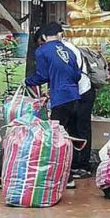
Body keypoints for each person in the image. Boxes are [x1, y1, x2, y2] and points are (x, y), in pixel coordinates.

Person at [26, 22, 82, 189]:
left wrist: (27, 81)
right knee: (69, 136)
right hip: (74, 98)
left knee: (55, 138)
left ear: (43, 37)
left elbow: (41, 76)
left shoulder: (42, 50)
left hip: (60, 99)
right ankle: (70, 173)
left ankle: (61, 176)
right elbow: (77, 75)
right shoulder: (70, 51)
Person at [60, 37, 95, 180]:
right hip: (72, 93)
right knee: (72, 128)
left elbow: (74, 74)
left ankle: (83, 165)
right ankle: (74, 162)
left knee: (82, 128)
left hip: (83, 92)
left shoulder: (68, 50)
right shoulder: (61, 49)